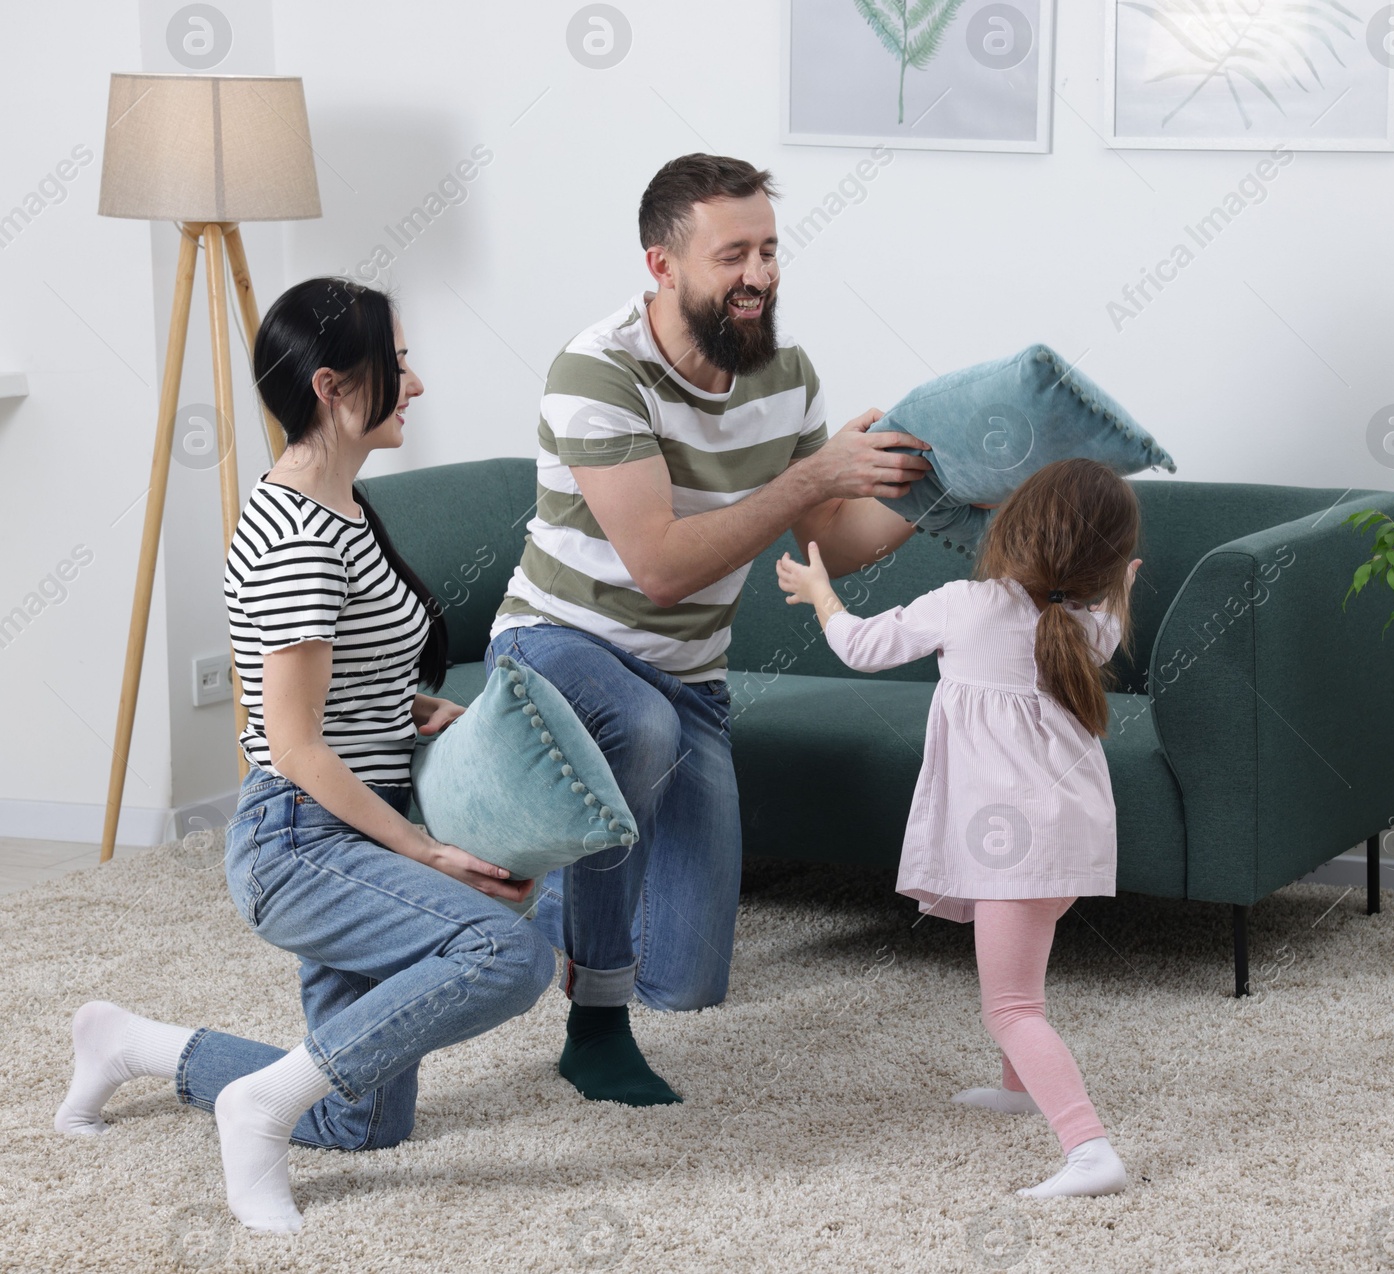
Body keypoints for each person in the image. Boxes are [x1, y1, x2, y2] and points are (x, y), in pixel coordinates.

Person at [54, 278, 552, 1234]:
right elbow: (293, 746)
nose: (417, 383)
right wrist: (427, 851)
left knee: (362, 1121)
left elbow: (333, 682)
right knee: (507, 951)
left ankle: (132, 1043)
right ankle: (258, 1108)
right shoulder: (295, 537)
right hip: (303, 846)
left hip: (349, 826)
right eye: (397, 364)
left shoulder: (346, 511)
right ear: (332, 384)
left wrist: (412, 709)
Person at [488, 153, 945, 1107]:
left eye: (770, 250)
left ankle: (517, 883)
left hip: (689, 678)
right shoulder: (599, 370)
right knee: (636, 733)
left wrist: (946, 490)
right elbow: (658, 569)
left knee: (688, 984)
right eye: (733, 253)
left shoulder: (785, 374)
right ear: (662, 265)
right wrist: (811, 477)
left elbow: (835, 542)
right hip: (555, 649)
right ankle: (595, 1025)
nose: (761, 275)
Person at [776, 458, 1142, 1199]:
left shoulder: (965, 605)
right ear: (1107, 565)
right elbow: (1107, 608)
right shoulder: (1088, 625)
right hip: (1071, 837)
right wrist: (1123, 587)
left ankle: (1090, 1148)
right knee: (1025, 982)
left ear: (1011, 530)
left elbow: (860, 647)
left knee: (1009, 1006)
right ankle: (1018, 1088)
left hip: (1013, 850)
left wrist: (821, 593)